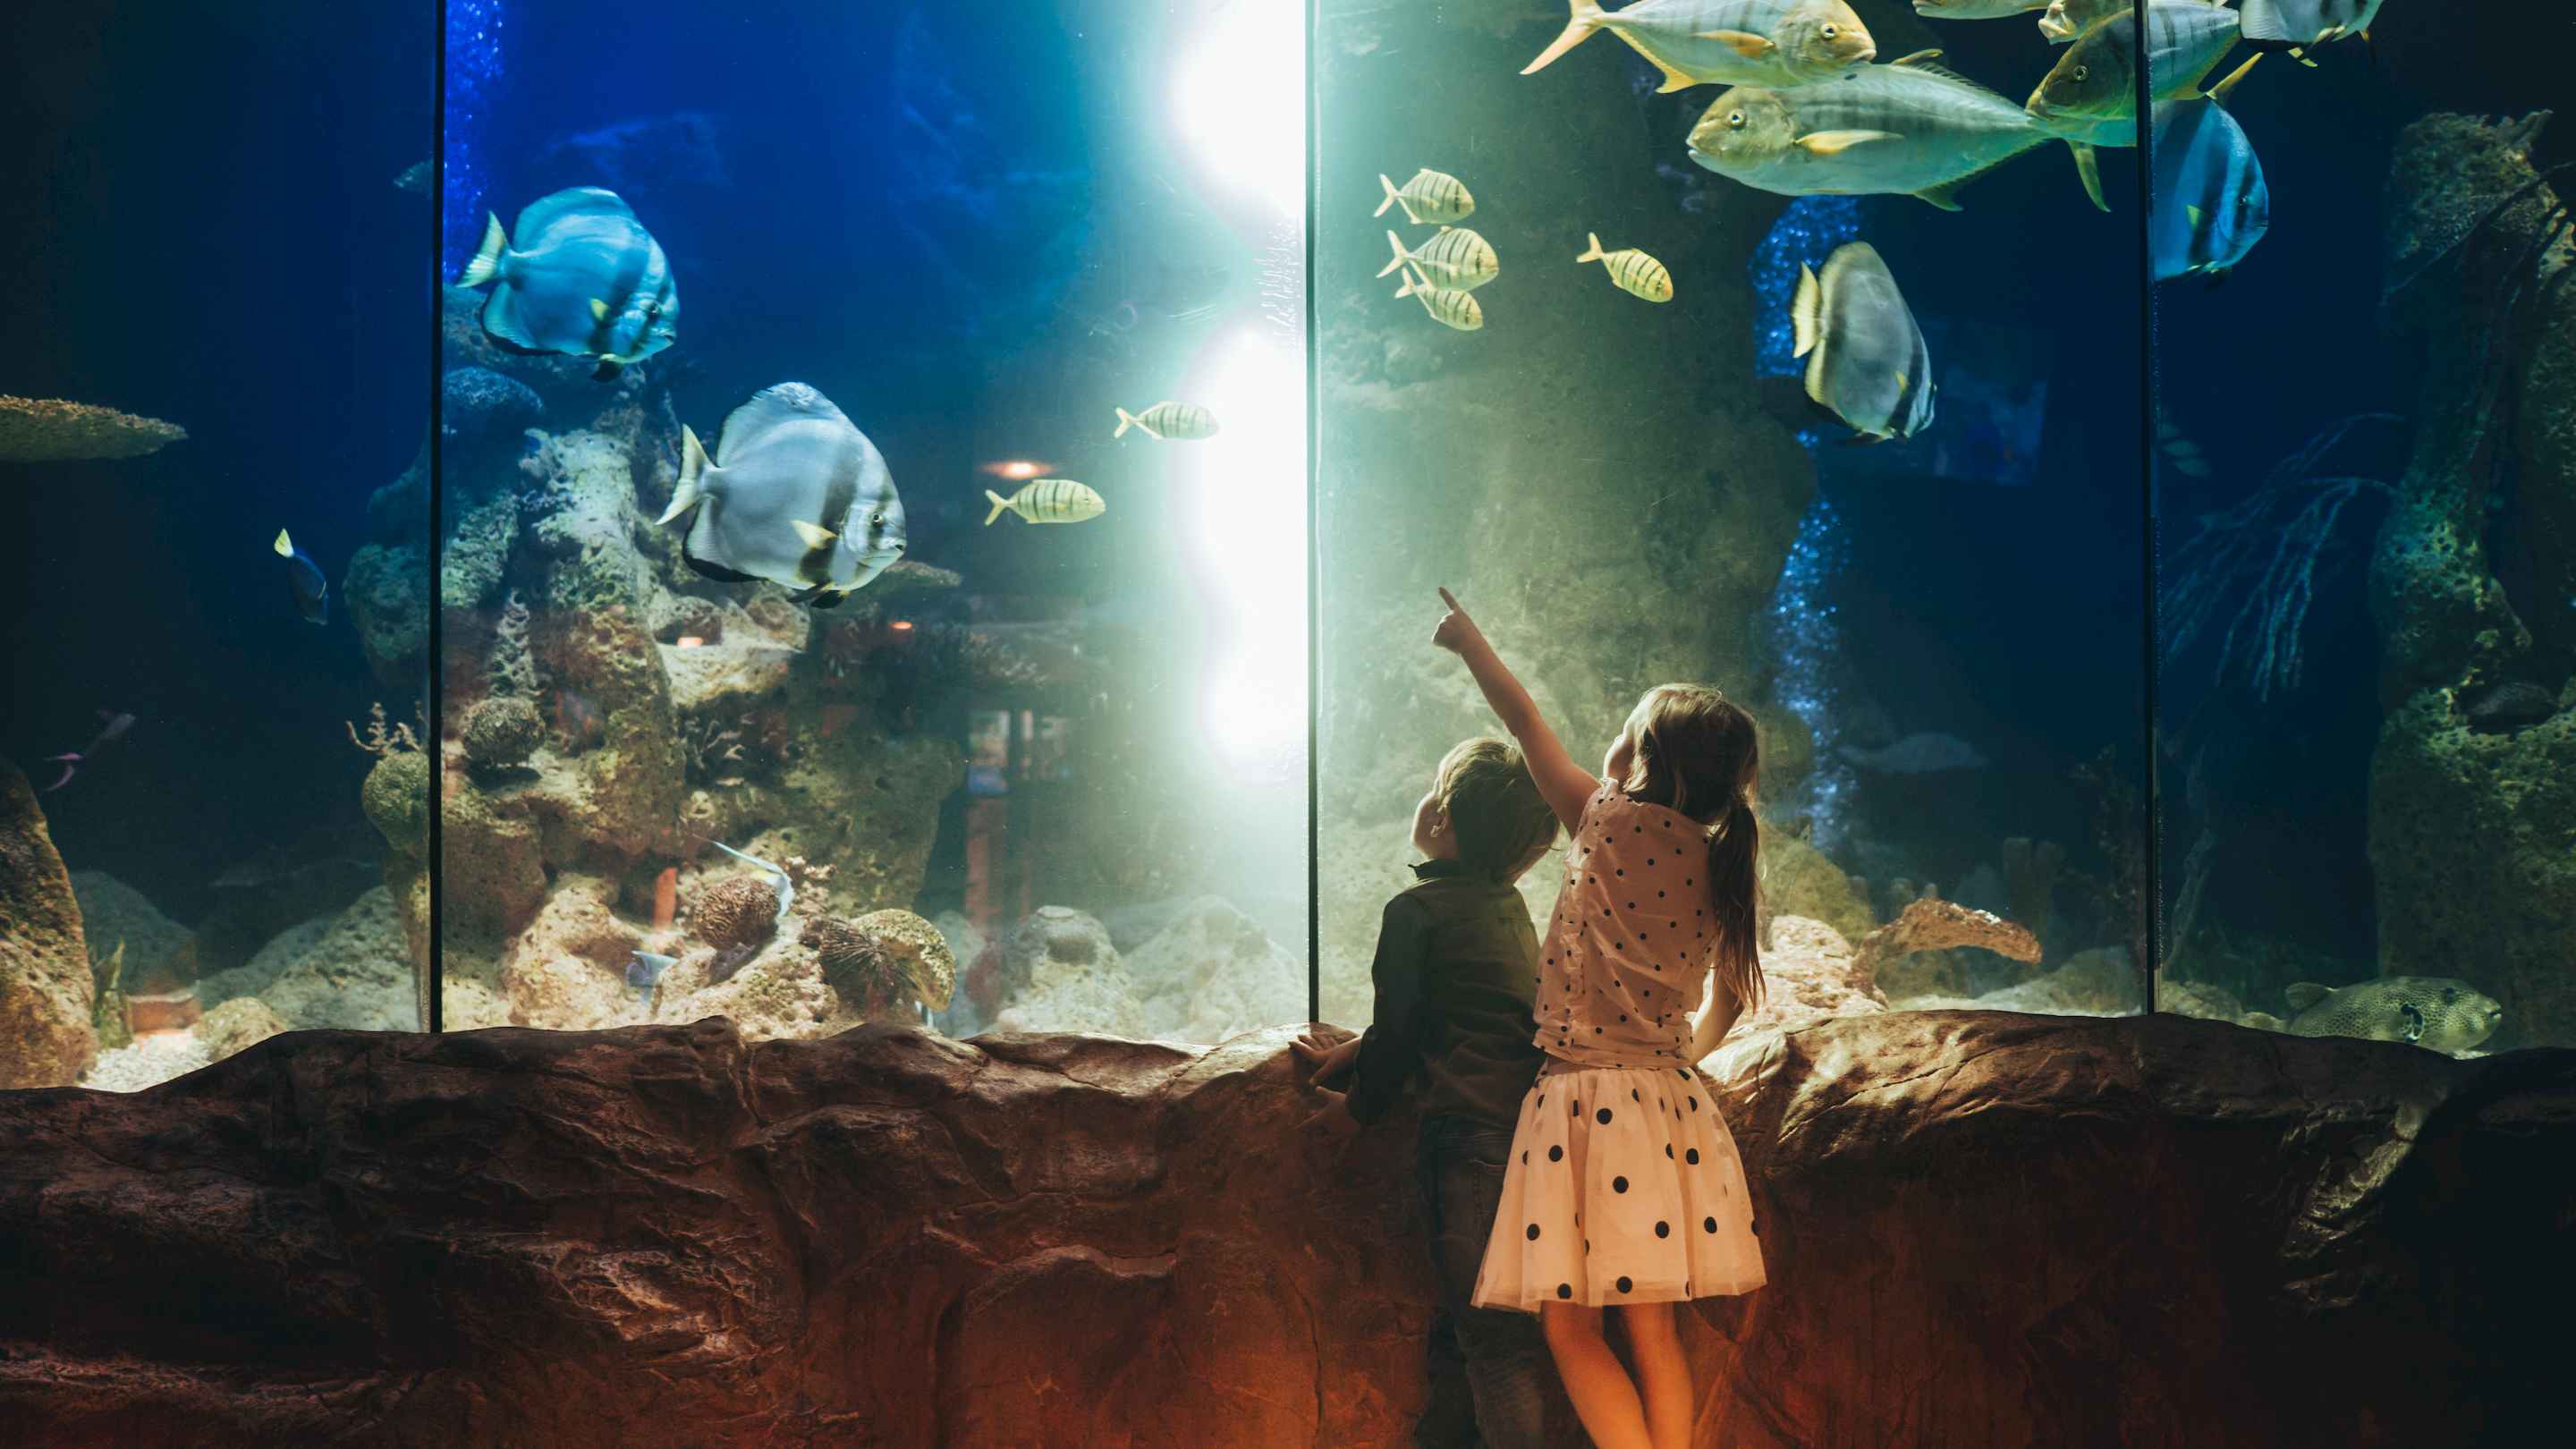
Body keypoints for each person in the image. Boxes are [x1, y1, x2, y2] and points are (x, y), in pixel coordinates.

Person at [1436, 587, 1769, 1449]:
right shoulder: (1722, 862)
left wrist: (1471, 643)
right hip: (1669, 1107)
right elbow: (1732, 997)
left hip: (1582, 1107)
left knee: (1569, 1326)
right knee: (1654, 1332)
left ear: (1642, 755)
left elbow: (1524, 721)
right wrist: (1680, 1059)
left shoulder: (1600, 818)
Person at [1296, 737, 1565, 1449]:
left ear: (1441, 820)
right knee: (1478, 1321)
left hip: (1467, 1141)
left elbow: (1405, 1025)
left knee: (1493, 1340)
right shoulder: (1506, 908)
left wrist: (1354, 1110)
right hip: (1527, 1136)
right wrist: (1365, 1043)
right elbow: (1480, 1006)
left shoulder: (1414, 910)